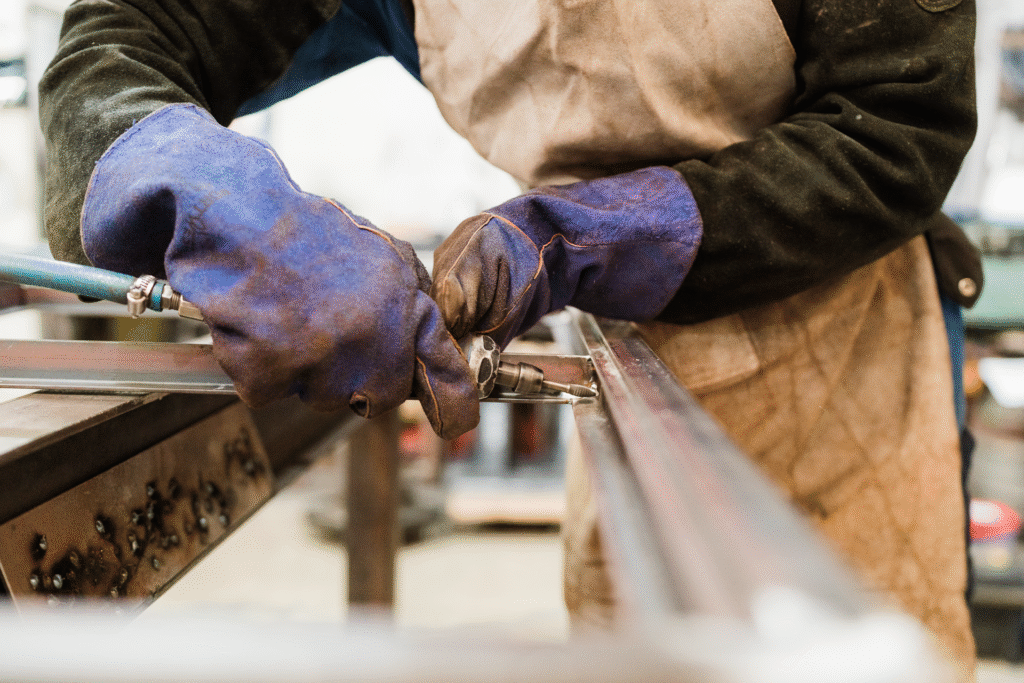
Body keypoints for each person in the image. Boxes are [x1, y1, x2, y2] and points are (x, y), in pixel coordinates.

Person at [39, 0, 981, 677]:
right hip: (635, 353)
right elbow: (123, 42)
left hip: (844, 352)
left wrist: (589, 234)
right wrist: (204, 195)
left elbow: (899, 121)